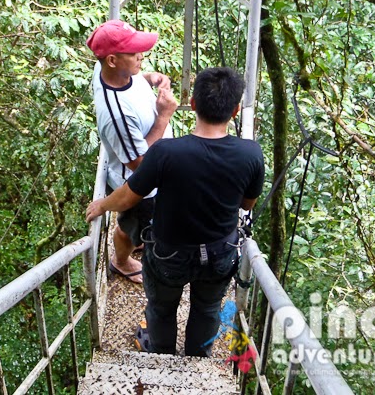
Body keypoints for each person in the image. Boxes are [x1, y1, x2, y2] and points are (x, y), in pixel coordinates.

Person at [86, 67, 264, 356]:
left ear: (192, 104)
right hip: (220, 252)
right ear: (234, 112)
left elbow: (129, 196)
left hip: (169, 253)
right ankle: (197, 357)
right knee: (207, 309)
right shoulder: (251, 153)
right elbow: (247, 204)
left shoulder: (166, 152)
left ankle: (161, 353)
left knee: (161, 307)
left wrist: (101, 205)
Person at [86, 20, 178, 284]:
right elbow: (139, 165)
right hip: (140, 185)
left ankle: (137, 239)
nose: (141, 56)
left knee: (140, 224)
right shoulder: (117, 114)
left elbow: (136, 77)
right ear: (113, 60)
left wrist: (150, 78)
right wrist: (164, 116)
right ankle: (121, 262)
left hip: (154, 171)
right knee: (129, 228)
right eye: (134, 52)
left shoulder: (108, 69)